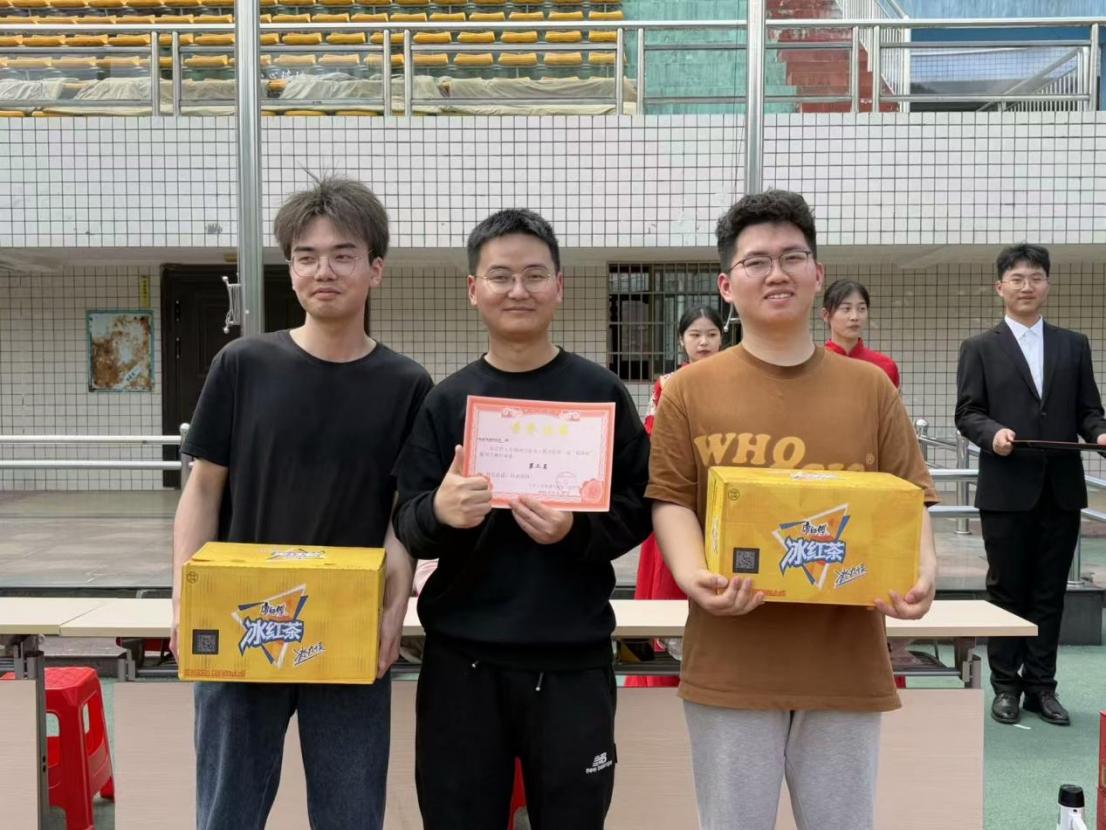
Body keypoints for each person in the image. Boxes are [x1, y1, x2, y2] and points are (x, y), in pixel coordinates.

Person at [648, 189, 938, 830]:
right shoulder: (687, 390)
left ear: (817, 275)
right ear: (728, 285)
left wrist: (923, 574)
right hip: (731, 659)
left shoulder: (871, 388)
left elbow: (909, 495)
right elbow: (671, 500)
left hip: (844, 661)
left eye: (792, 257)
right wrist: (696, 577)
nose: (776, 273)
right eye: (756, 261)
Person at [170, 176, 433, 829]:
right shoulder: (243, 364)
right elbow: (203, 488)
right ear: (290, 270)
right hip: (242, 618)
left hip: (347, 628)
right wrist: (185, 598)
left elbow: (401, 516)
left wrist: (392, 613)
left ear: (376, 270)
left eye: (344, 255)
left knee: (350, 814)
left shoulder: (406, 384)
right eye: (306, 256)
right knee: (227, 813)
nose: (324, 271)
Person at [393, 208, 651, 830]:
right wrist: (440, 512)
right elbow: (406, 519)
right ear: (473, 289)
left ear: (559, 286)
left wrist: (575, 531)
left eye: (535, 275)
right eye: (501, 276)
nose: (518, 290)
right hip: (462, 663)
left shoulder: (599, 393)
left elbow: (641, 504)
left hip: (571, 659)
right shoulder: (447, 401)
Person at [955, 243, 1106, 727]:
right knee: (1006, 590)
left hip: (1060, 489)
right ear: (1000, 287)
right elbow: (968, 412)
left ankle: (1042, 686)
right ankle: (1006, 686)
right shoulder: (980, 347)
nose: (1027, 286)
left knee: (1049, 592)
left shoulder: (1073, 345)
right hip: (1006, 488)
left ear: (1047, 285)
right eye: (1017, 278)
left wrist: (1100, 433)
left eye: (1036, 277)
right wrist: (992, 433)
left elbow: (1088, 410)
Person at [627, 305, 724, 689]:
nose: (704, 342)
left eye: (711, 334)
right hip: (678, 496)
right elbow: (654, 442)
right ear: (681, 341)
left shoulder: (736, 381)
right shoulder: (667, 384)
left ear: (722, 338)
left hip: (723, 497)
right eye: (695, 334)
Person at [821, 278, 900, 389]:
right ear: (826, 315)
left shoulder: (886, 367)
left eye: (861, 309)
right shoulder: (812, 366)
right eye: (846, 309)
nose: (855, 317)